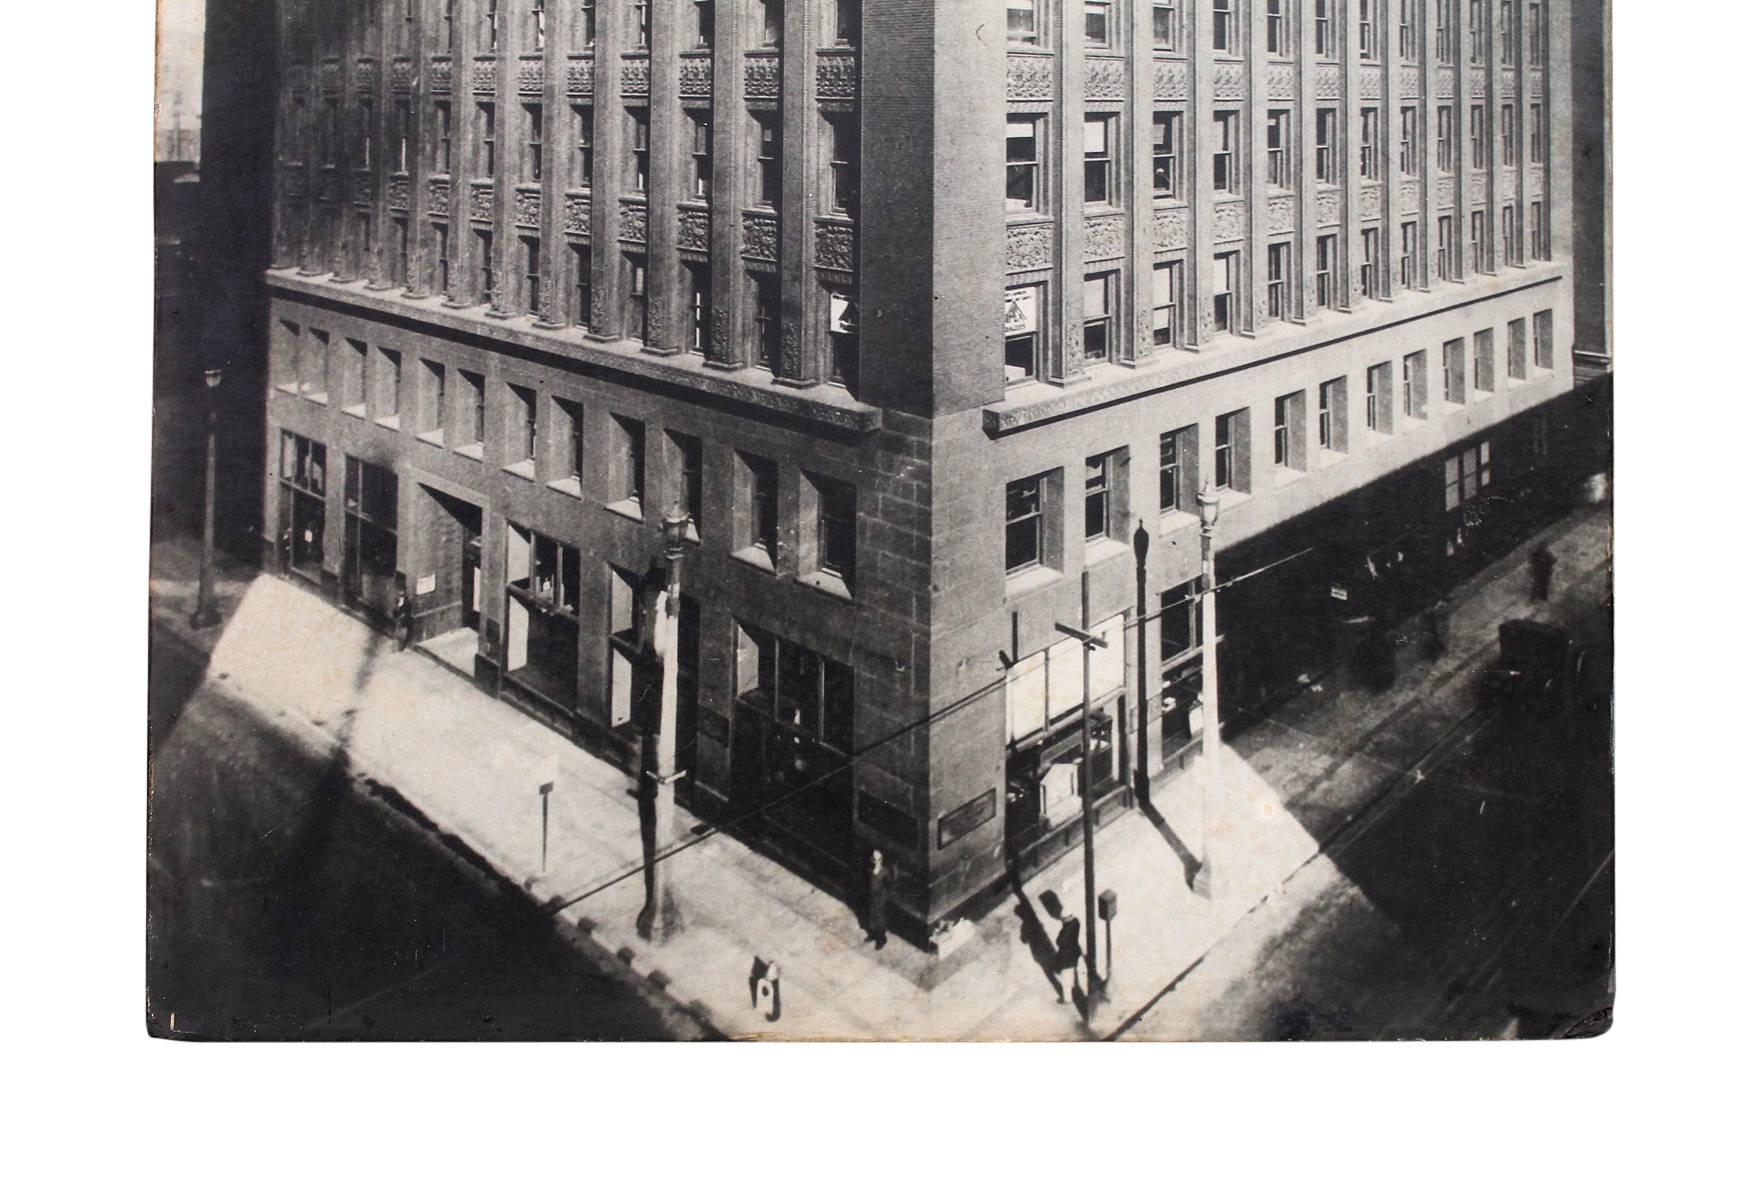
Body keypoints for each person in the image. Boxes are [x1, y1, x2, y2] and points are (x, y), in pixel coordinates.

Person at [864, 849, 891, 950]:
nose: (877, 861)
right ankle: (873, 935)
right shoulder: (870, 869)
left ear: (881, 860)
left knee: (879, 918)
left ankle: (881, 939)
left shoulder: (884, 871)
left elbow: (888, 884)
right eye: (875, 859)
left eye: (879, 859)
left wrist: (884, 896)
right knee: (871, 916)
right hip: (872, 896)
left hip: (880, 898)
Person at [1054, 914, 1083, 1004]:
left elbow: (1060, 942)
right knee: (1072, 972)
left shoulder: (1066, 930)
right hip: (1074, 952)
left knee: (1065, 977)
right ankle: (1075, 988)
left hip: (1066, 956)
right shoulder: (1076, 922)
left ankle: (1067, 999)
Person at [393, 586, 414, 651]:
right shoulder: (396, 601)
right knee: (398, 634)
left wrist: (404, 615)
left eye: (402, 594)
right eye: (400, 593)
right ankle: (399, 647)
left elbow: (409, 611)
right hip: (399, 620)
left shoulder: (408, 602)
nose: (400, 594)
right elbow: (394, 611)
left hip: (405, 620)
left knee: (404, 634)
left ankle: (403, 647)